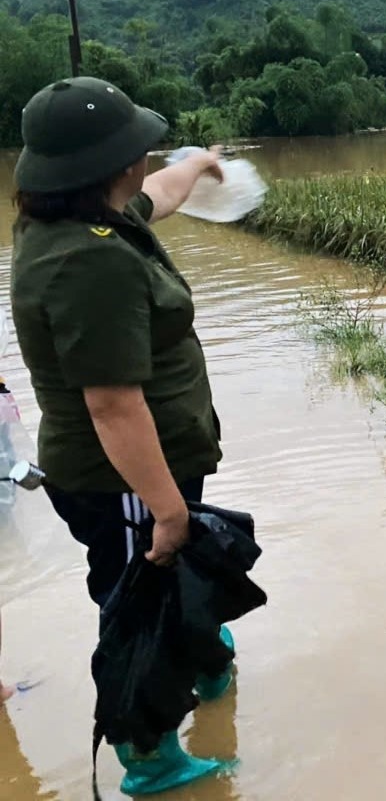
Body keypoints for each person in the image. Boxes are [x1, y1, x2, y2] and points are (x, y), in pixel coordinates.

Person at [8, 76, 237, 795]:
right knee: (140, 596)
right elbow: (111, 403)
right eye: (140, 147)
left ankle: (203, 652)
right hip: (126, 481)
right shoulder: (91, 260)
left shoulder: (81, 222)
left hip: (141, 471)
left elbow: (158, 196)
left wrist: (200, 163)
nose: (148, 158)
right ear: (114, 164)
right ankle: (151, 754)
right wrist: (165, 507)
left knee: (170, 580)